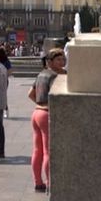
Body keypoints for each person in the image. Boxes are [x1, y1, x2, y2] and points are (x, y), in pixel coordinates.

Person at [29, 48, 66, 192]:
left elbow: (30, 94)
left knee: (37, 150)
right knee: (48, 151)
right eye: (58, 59)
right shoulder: (56, 76)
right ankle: (50, 183)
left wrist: (40, 103)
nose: (62, 62)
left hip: (37, 113)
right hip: (47, 114)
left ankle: (38, 182)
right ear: (50, 62)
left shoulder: (41, 74)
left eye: (63, 59)